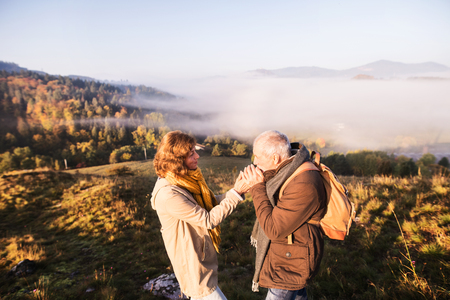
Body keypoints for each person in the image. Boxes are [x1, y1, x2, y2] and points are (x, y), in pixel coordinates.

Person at [150, 130, 249, 300]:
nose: (197, 156)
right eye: (191, 154)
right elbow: (208, 220)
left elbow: (208, 203)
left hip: (200, 261)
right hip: (193, 268)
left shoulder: (180, 180)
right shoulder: (169, 195)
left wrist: (235, 191)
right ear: (177, 160)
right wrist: (236, 193)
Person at [242, 130, 327, 300]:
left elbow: (273, 229)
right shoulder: (288, 170)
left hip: (290, 264)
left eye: (257, 157)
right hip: (287, 253)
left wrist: (257, 187)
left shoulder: (304, 183)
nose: (255, 162)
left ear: (275, 158)